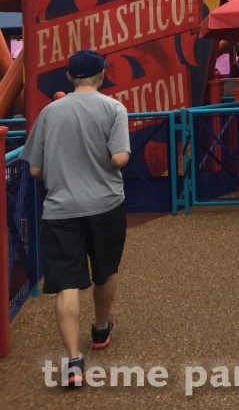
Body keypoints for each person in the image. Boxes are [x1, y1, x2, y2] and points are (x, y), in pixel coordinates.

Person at [20, 50, 131, 388]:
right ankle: (100, 328)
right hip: (106, 205)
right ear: (102, 75)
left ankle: (72, 362)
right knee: (105, 269)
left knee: (65, 282)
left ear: (69, 77)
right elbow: (119, 158)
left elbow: (35, 169)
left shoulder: (49, 112)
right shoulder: (114, 108)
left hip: (61, 209)